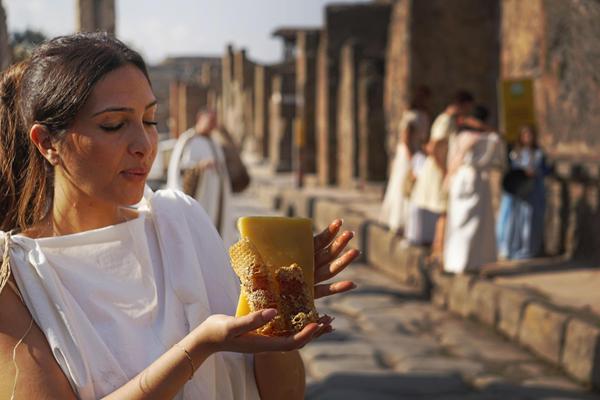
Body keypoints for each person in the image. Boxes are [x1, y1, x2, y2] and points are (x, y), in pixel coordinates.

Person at [0, 33, 359, 400]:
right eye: (113, 125)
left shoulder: (181, 220)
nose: (143, 145)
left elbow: (283, 395)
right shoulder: (17, 276)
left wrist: (276, 317)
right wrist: (198, 348)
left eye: (151, 120)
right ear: (46, 143)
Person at [406, 90, 475, 248]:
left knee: (443, 211)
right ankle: (439, 250)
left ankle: (439, 249)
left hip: (441, 167)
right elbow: (434, 146)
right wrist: (444, 170)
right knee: (444, 211)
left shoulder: (448, 120)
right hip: (439, 169)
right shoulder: (445, 120)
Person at [443, 106, 505, 273]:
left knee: (459, 222)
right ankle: (469, 262)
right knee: (472, 223)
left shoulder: (460, 136)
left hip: (460, 179)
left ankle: (456, 261)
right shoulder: (490, 138)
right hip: (475, 180)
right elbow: (498, 156)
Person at [167, 110, 237, 246]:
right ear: (200, 119)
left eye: (214, 121)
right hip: (198, 199)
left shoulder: (214, 142)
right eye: (210, 121)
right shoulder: (188, 140)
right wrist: (200, 166)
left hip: (215, 200)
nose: (213, 125)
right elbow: (180, 171)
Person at [379, 86, 431, 233]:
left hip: (418, 152)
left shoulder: (424, 116)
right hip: (409, 153)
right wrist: (411, 158)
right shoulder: (411, 116)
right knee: (402, 185)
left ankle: (411, 222)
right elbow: (405, 139)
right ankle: (398, 220)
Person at [496, 125, 548, 259]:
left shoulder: (538, 153)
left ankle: (529, 249)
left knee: (531, 220)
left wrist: (536, 173)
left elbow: (544, 170)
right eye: (525, 135)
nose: (528, 138)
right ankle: (512, 247)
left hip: (533, 191)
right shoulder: (515, 153)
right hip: (519, 192)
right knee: (516, 221)